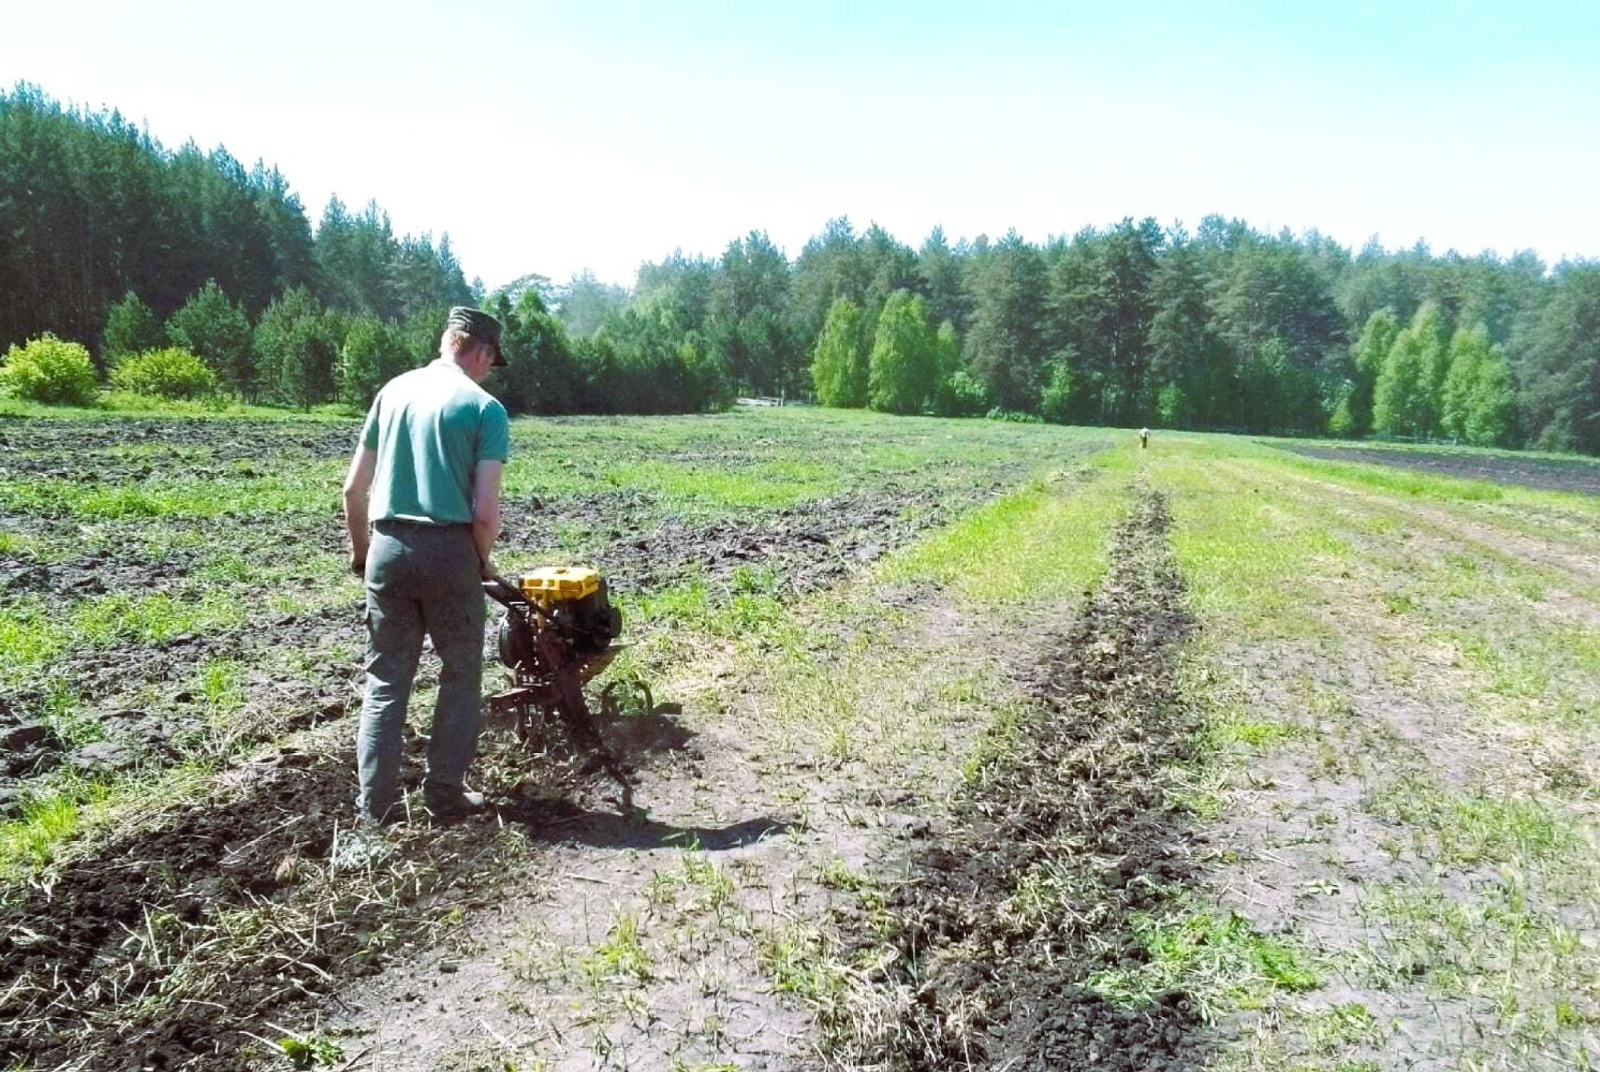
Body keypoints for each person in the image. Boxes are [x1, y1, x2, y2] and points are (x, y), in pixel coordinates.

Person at [341, 306, 510, 823]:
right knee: (460, 674)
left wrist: (363, 553)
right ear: (482, 353)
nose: (489, 371)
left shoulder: (392, 392)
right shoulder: (484, 409)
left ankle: (376, 810)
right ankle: (443, 792)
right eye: (491, 361)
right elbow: (485, 512)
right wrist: (481, 561)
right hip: (449, 552)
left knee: (385, 682)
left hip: (387, 548)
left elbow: (353, 490)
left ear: (445, 341)